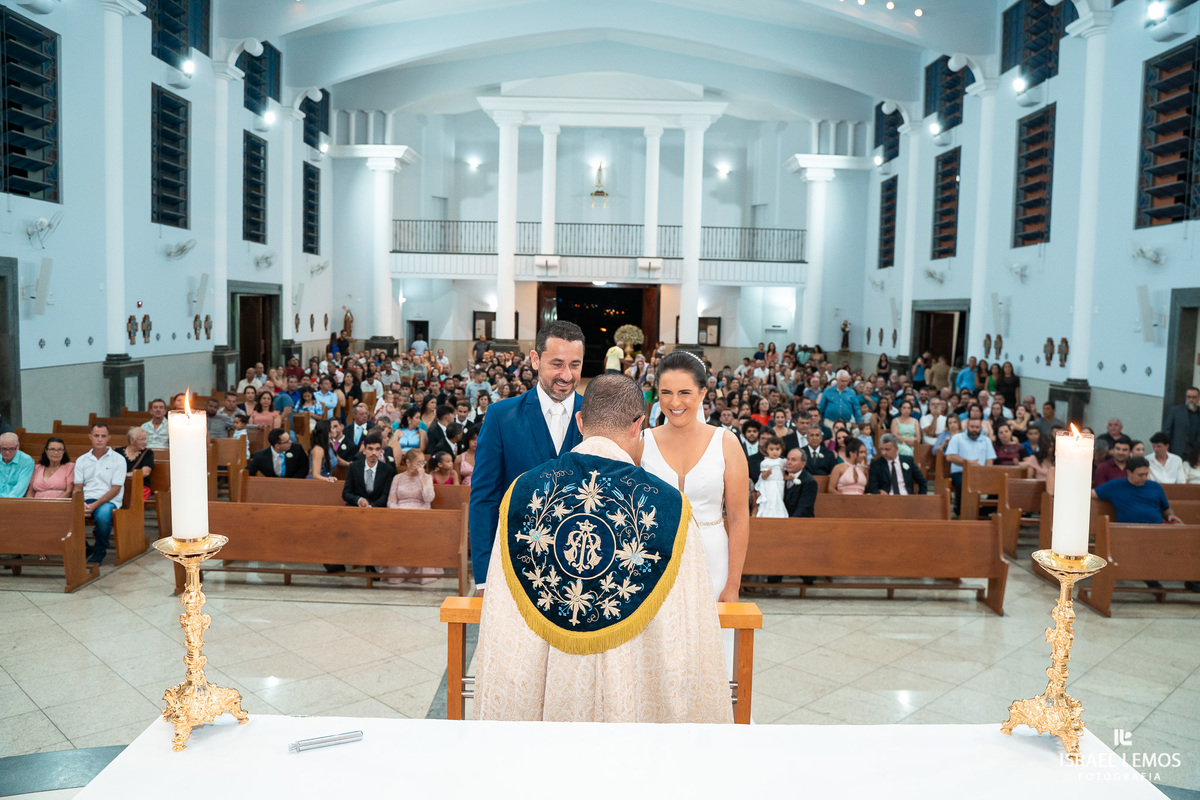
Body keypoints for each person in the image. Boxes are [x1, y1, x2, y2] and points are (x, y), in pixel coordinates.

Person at [474, 374, 731, 723]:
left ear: (580, 421)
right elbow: (687, 625)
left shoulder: (523, 492)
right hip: (629, 685)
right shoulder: (670, 507)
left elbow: (504, 620)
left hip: (549, 688)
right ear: (637, 425)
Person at [639, 350, 750, 681]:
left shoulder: (725, 443)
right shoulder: (643, 443)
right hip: (655, 559)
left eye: (685, 392)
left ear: (703, 392)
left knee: (711, 655)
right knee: (659, 653)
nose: (675, 402)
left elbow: (740, 518)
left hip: (712, 557)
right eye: (666, 393)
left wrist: (733, 582)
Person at [469, 321, 586, 592]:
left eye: (575, 365)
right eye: (557, 364)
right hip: (516, 567)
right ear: (535, 359)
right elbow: (485, 499)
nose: (567, 376)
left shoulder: (596, 416)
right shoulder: (501, 417)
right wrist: (485, 575)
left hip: (581, 569)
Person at [383, 449, 440, 585]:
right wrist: (400, 514)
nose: (421, 466)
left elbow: (428, 498)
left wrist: (421, 479)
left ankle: (421, 575)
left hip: (421, 515)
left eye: (423, 463)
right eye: (418, 463)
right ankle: (397, 574)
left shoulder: (427, 478)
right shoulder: (397, 478)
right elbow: (391, 502)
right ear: (408, 462)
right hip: (400, 516)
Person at [72, 424, 126, 564]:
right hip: (87, 499)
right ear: (90, 437)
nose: (100, 439)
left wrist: (94, 505)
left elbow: (115, 489)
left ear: (109, 438)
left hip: (110, 500)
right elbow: (77, 487)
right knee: (67, 514)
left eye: (103, 436)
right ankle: (84, 548)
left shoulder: (118, 459)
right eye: (96, 436)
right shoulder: (82, 460)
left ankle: (99, 551)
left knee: (103, 516)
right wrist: (81, 503)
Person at [945, 417, 996, 500]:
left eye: (977, 427)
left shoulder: (986, 440)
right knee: (963, 483)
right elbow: (950, 457)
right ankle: (960, 510)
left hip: (981, 472)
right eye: (972, 427)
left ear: (981, 428)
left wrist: (987, 473)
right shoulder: (957, 438)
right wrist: (967, 463)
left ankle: (984, 510)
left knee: (997, 484)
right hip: (961, 472)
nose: (974, 430)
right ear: (967, 427)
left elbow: (989, 460)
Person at [116, 427, 154, 500]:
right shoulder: (118, 452)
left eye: (145, 439)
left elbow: (145, 472)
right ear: (132, 440)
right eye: (142, 439)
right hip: (121, 486)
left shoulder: (148, 453)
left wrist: (127, 475)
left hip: (140, 487)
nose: (145, 442)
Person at [1162, 387, 1200, 458]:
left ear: (1199, 398)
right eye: (1188, 397)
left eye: (1194, 397)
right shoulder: (1176, 411)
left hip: (1196, 454)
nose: (1191, 400)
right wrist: (1165, 449)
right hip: (1178, 451)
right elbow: (1167, 432)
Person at [754, 438, 787, 518]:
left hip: (779, 485)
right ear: (767, 450)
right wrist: (768, 473)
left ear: (781, 449)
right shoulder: (765, 462)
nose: (774, 452)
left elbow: (783, 475)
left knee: (778, 501)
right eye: (771, 449)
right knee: (769, 502)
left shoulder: (782, 462)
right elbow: (763, 477)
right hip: (768, 485)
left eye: (777, 449)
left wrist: (789, 477)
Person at [782, 448, 818, 517]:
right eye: (788, 459)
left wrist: (788, 523)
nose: (789, 462)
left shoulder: (809, 482)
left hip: (800, 522)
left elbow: (804, 508)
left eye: (793, 460)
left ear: (803, 464)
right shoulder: (782, 476)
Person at [0, 433, 35, 497]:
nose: (7, 452)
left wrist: (4, 501)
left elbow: (21, 487)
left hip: (14, 501)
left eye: (11, 448)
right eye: (4, 449)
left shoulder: (27, 461)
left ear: (18, 447)